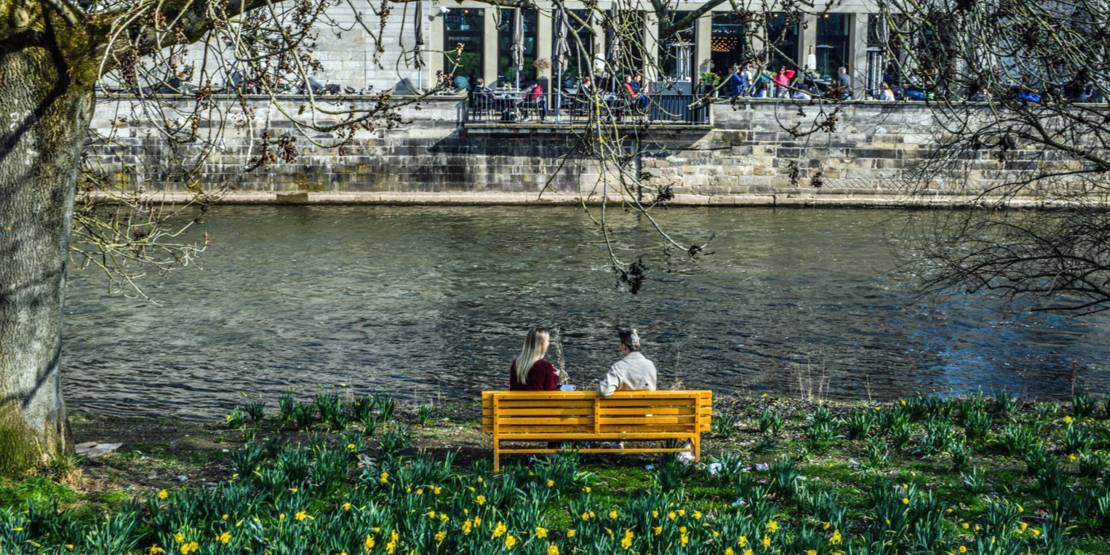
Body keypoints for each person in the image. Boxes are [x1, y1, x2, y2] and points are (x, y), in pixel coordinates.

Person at [599, 329, 657, 397]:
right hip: (648, 407)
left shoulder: (618, 367)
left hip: (623, 407)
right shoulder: (650, 365)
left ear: (624, 346)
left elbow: (605, 392)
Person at [510, 326, 561, 390]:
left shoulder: (516, 363)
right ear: (542, 344)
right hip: (537, 400)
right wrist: (555, 375)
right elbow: (550, 391)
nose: (548, 343)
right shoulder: (545, 366)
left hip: (515, 400)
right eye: (548, 341)